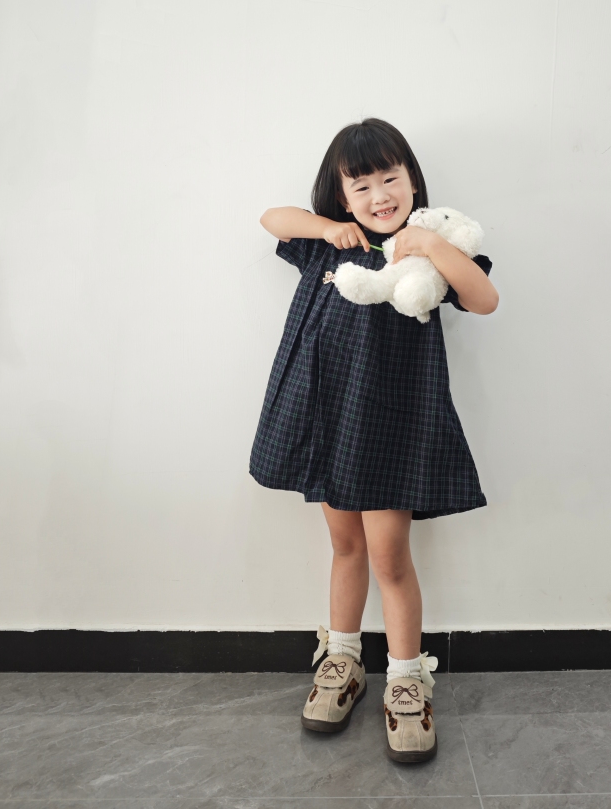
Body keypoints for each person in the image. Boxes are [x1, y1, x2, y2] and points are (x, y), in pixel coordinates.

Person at [249, 117, 498, 763]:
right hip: (327, 422)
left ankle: (408, 679)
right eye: (361, 185)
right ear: (342, 194)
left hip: (389, 430)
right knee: (345, 545)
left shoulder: (430, 250)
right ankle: (343, 660)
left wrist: (429, 244)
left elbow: (484, 297)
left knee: (390, 558)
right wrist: (325, 227)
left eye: (390, 178)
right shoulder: (331, 245)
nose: (379, 194)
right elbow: (272, 218)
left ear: (412, 180)